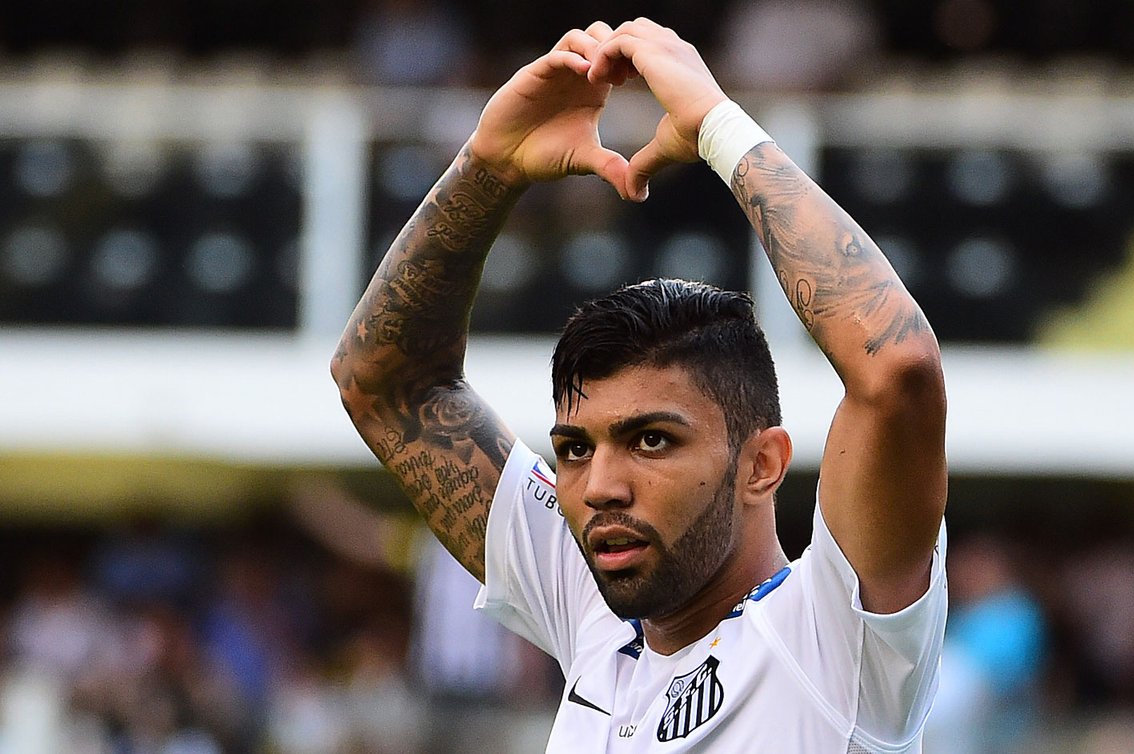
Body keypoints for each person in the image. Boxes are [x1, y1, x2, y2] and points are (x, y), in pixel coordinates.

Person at [329, 17, 949, 752]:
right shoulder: (591, 605)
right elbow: (387, 383)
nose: (601, 486)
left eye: (651, 440)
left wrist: (719, 127)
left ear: (762, 463)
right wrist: (488, 168)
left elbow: (896, 367)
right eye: (574, 449)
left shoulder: (834, 636)